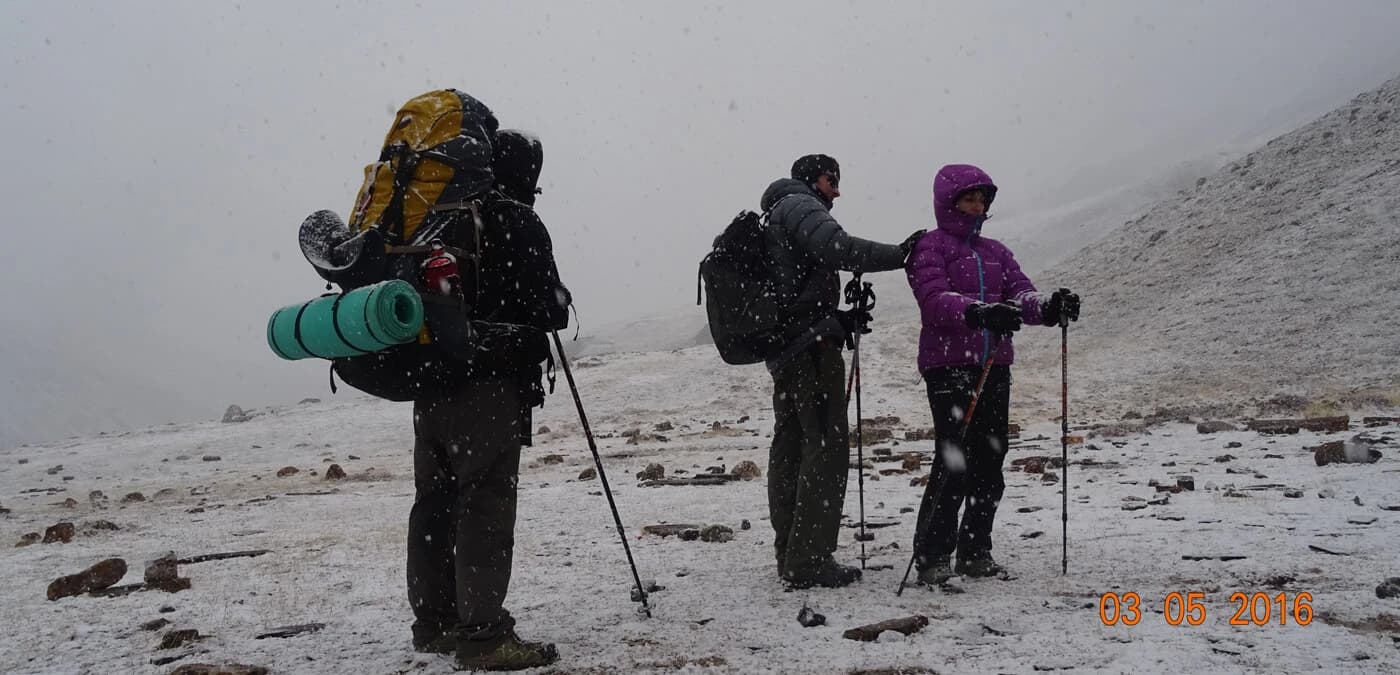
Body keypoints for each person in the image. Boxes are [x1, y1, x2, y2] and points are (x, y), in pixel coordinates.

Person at [406, 127, 570, 670]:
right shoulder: (516, 219)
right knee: (485, 504)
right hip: (488, 386)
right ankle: (483, 637)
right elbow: (551, 309)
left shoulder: (436, 214)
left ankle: (435, 623)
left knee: (436, 502)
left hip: (430, 385)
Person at [904, 164, 1080, 585]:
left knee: (990, 461)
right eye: (969, 198)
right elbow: (933, 300)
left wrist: (1049, 306)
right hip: (948, 368)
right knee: (954, 462)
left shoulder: (996, 252)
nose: (978, 206)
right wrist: (978, 312)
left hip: (994, 367)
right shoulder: (929, 247)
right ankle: (932, 556)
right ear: (949, 202)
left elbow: (1021, 294)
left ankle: (975, 550)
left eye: (983, 200)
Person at [760, 153, 925, 588]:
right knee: (825, 446)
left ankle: (791, 551)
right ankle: (809, 559)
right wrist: (900, 255)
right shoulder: (800, 206)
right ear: (812, 179)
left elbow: (794, 292)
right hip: (809, 351)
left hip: (788, 349)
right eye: (832, 180)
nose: (837, 190)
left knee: (793, 445)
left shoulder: (776, 215)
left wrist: (837, 319)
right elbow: (840, 248)